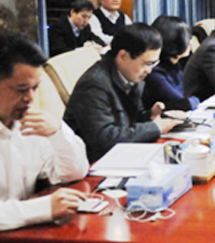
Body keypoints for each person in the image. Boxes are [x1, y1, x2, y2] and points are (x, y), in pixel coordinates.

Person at [0, 34, 89, 232]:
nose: (30, 98)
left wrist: (58, 132)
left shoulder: (27, 124)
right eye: (21, 89)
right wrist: (41, 209)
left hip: (24, 238)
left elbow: (73, 172)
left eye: (35, 88)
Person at [63, 24, 183, 162]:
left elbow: (129, 123)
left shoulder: (131, 75)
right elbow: (104, 139)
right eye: (147, 63)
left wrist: (150, 115)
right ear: (123, 56)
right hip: (92, 164)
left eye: (154, 64)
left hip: (121, 156)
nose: (149, 71)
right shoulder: (94, 84)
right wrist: (156, 128)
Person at [142, 16, 198, 111]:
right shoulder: (155, 72)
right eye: (186, 38)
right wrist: (196, 99)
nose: (190, 43)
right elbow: (184, 103)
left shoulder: (176, 64)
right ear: (173, 41)